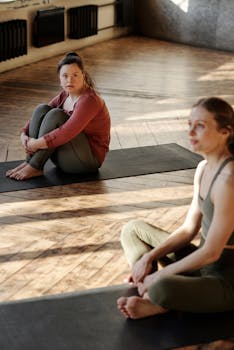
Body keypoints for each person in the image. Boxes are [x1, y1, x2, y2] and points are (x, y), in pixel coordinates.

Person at [117, 97, 234, 319]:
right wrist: (148, 258)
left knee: (164, 287)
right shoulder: (203, 168)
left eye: (200, 126)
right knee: (132, 230)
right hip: (202, 264)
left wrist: (159, 279)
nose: (190, 133)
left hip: (226, 280)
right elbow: (189, 229)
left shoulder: (229, 180)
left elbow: (212, 251)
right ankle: (148, 281)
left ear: (224, 132)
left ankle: (157, 298)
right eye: (189, 125)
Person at [6, 52, 111, 180]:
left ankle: (35, 165)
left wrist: (36, 144)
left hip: (86, 162)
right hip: (66, 156)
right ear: (59, 78)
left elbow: (67, 132)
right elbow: (40, 115)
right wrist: (24, 134)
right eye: (65, 76)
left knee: (56, 115)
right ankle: (31, 162)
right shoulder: (65, 95)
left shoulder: (89, 100)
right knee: (42, 108)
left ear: (83, 75)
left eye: (75, 75)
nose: (69, 80)